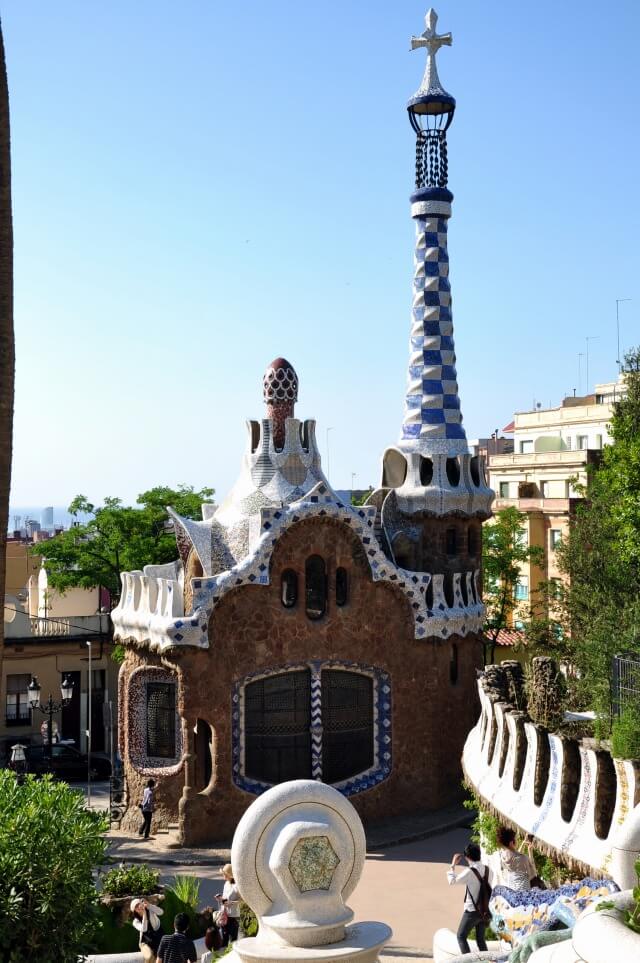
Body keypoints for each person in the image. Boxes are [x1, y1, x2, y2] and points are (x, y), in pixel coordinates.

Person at [447, 842, 490, 955]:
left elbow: (452, 881)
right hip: (485, 910)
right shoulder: (488, 870)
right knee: (480, 940)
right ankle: (488, 961)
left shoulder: (469, 872)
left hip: (472, 911)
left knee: (461, 936)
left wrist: (452, 865)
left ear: (467, 857)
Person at [497, 826, 536, 891]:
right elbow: (533, 873)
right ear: (511, 843)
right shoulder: (522, 858)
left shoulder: (503, 857)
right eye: (515, 839)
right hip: (524, 891)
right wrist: (530, 852)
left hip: (513, 890)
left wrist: (523, 844)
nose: (517, 840)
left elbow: (515, 857)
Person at [131, 898, 164, 962]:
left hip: (157, 937)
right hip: (145, 942)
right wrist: (144, 915)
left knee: (163, 954)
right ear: (135, 911)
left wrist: (149, 905)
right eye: (136, 907)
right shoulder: (135, 922)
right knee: (149, 957)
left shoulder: (150, 910)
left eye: (139, 904)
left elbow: (161, 912)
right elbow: (144, 929)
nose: (139, 907)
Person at [216, 863, 241, 945]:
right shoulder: (226, 884)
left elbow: (242, 901)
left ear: (230, 875)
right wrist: (220, 899)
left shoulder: (237, 886)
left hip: (234, 916)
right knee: (224, 939)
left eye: (225, 874)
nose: (224, 876)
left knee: (233, 940)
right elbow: (224, 899)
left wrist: (231, 903)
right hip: (225, 915)